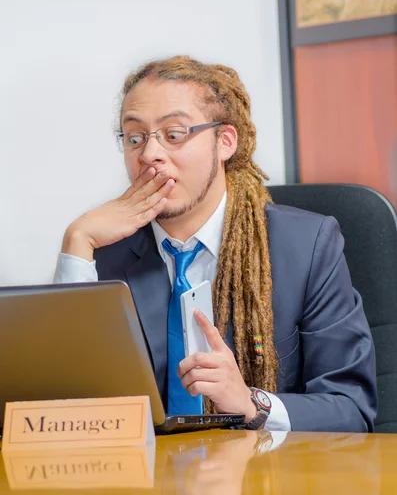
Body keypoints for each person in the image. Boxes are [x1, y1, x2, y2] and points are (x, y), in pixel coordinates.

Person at [54, 55, 377, 431]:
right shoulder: (102, 253)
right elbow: (65, 411)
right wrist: (77, 242)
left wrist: (251, 403)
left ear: (225, 142)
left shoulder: (305, 247)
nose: (149, 154)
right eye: (135, 138)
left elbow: (352, 411)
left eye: (174, 134)